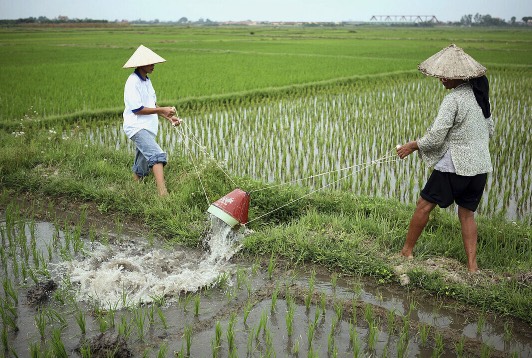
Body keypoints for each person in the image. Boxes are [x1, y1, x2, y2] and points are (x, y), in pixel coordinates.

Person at [396, 44, 494, 272]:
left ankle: (406, 252)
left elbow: (436, 137)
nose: (441, 78)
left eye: (445, 75)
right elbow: (490, 130)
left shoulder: (454, 99)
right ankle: (472, 267)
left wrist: (412, 146)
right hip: (480, 167)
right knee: (467, 213)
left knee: (423, 205)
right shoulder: (482, 98)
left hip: (456, 165)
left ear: (458, 76)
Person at [122, 45, 181, 196]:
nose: (153, 66)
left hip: (148, 127)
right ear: (141, 64)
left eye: (153, 63)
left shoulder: (147, 81)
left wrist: (168, 117)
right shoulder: (132, 82)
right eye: (150, 63)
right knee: (157, 155)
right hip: (137, 126)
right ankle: (163, 194)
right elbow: (137, 109)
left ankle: (133, 189)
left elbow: (152, 105)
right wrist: (162, 110)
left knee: (142, 163)